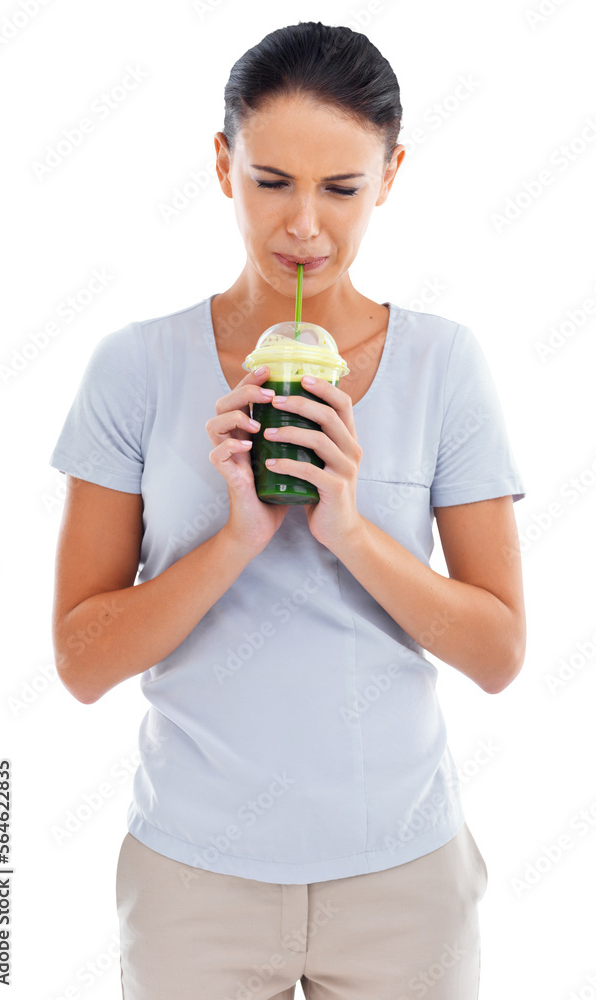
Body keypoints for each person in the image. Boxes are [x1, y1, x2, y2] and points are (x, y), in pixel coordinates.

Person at [49, 20, 527, 1000]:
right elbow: (82, 660)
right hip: (193, 883)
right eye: (271, 180)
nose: (302, 225)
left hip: (405, 882)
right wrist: (237, 536)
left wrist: (348, 528)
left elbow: (498, 651)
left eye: (341, 188)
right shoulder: (134, 369)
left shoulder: (445, 365)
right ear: (223, 165)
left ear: (388, 178)